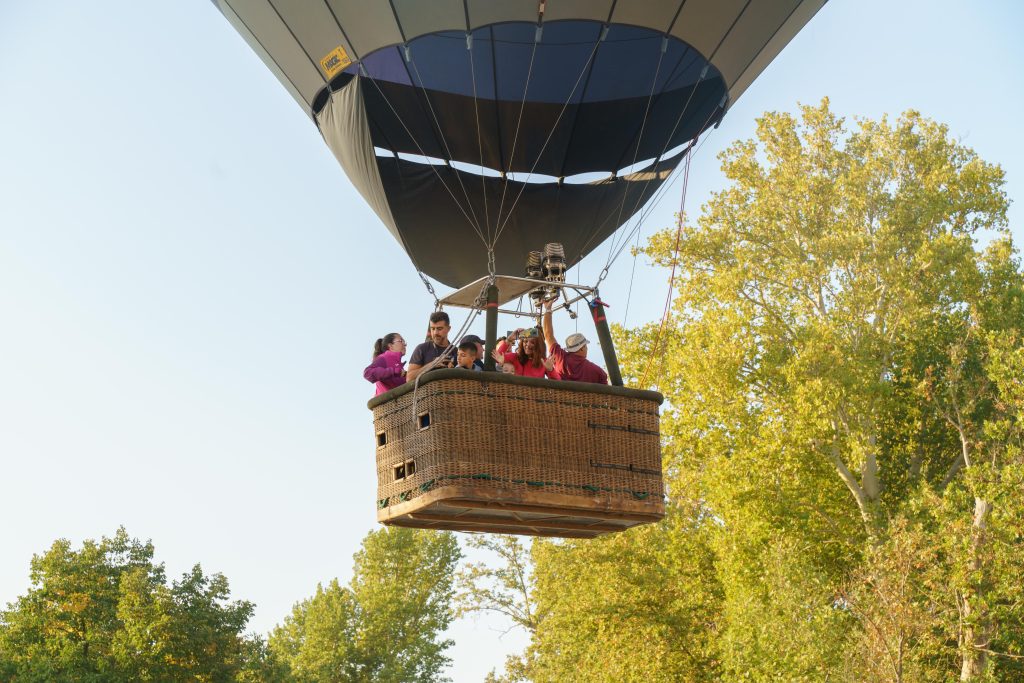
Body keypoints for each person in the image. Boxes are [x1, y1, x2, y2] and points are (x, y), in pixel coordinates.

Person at [542, 302, 608, 384]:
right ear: (581, 349)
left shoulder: (560, 358)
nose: (587, 348)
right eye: (585, 346)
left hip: (561, 396)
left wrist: (548, 309)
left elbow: (548, 334)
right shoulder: (598, 372)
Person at [492, 327, 560, 379]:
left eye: (532, 342)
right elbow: (496, 356)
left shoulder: (543, 362)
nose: (528, 344)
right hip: (515, 395)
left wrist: (550, 370)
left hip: (534, 396)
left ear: (538, 345)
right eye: (525, 341)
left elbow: (558, 383)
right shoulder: (516, 357)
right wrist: (508, 340)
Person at [407, 311, 454, 381]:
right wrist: (432, 364)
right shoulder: (421, 348)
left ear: (448, 329)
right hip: (427, 391)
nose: (435, 333)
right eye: (433, 328)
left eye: (439, 329)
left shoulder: (456, 351)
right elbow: (409, 378)